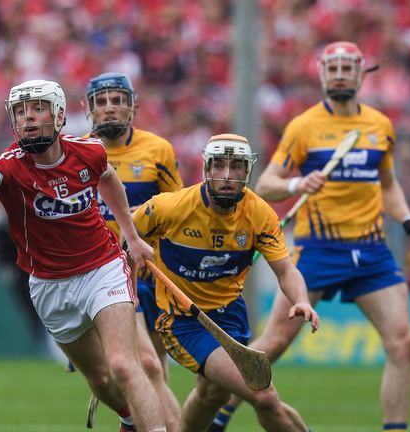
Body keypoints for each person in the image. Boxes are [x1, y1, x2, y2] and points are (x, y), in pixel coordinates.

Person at [208, 41, 410, 432]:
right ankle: (219, 415)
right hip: (317, 250)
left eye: (349, 66)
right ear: (321, 72)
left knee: (403, 343)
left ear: (362, 72)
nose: (341, 73)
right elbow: (266, 183)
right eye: (333, 67)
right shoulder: (304, 127)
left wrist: (407, 218)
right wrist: (298, 182)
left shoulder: (380, 125)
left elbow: (387, 184)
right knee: (274, 343)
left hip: (371, 252)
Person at [0, 79, 167, 432]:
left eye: (37, 108)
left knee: (124, 366)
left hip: (103, 268)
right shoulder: (10, 168)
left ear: (58, 116)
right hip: (49, 285)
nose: (28, 118)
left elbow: (108, 178)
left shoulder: (89, 152)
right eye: (20, 111)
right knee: (101, 381)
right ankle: (129, 418)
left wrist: (130, 236)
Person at [131, 133, 320, 431]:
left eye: (236, 167)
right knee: (264, 394)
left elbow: (285, 270)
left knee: (211, 394)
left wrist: (301, 299)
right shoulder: (169, 207)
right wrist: (125, 290)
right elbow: (126, 239)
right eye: (219, 166)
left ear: (247, 172)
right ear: (206, 169)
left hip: (230, 317)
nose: (227, 175)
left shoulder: (259, 214)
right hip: (183, 321)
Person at [85, 72, 184, 430]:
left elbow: (177, 210)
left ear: (132, 106)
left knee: (156, 367)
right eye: (102, 102)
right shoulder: (77, 152)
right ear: (89, 109)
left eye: (117, 100)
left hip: (152, 271)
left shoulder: (158, 150)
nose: (110, 108)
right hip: (106, 275)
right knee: (147, 364)